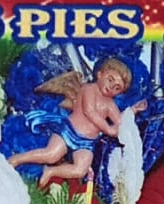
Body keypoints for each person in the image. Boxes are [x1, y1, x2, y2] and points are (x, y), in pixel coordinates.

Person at [9, 57, 137, 186]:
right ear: (100, 74)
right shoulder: (89, 89)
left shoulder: (110, 104)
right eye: (110, 80)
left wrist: (132, 111)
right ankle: (18, 158)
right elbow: (89, 111)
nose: (111, 87)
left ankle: (51, 171)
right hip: (69, 131)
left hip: (86, 142)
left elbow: (120, 121)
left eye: (117, 88)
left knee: (80, 170)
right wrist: (109, 129)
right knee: (51, 154)